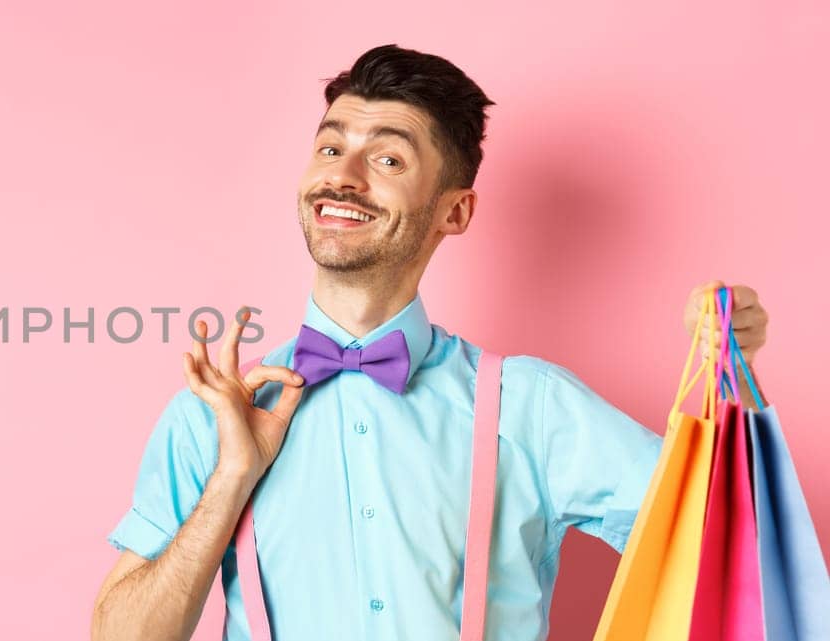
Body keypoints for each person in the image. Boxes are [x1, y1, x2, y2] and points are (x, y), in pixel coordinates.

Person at [88, 44, 771, 641]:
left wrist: (725, 371)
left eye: (386, 157)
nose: (343, 176)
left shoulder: (529, 407)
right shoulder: (212, 417)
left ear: (456, 210)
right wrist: (231, 478)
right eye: (330, 148)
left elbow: (737, 548)